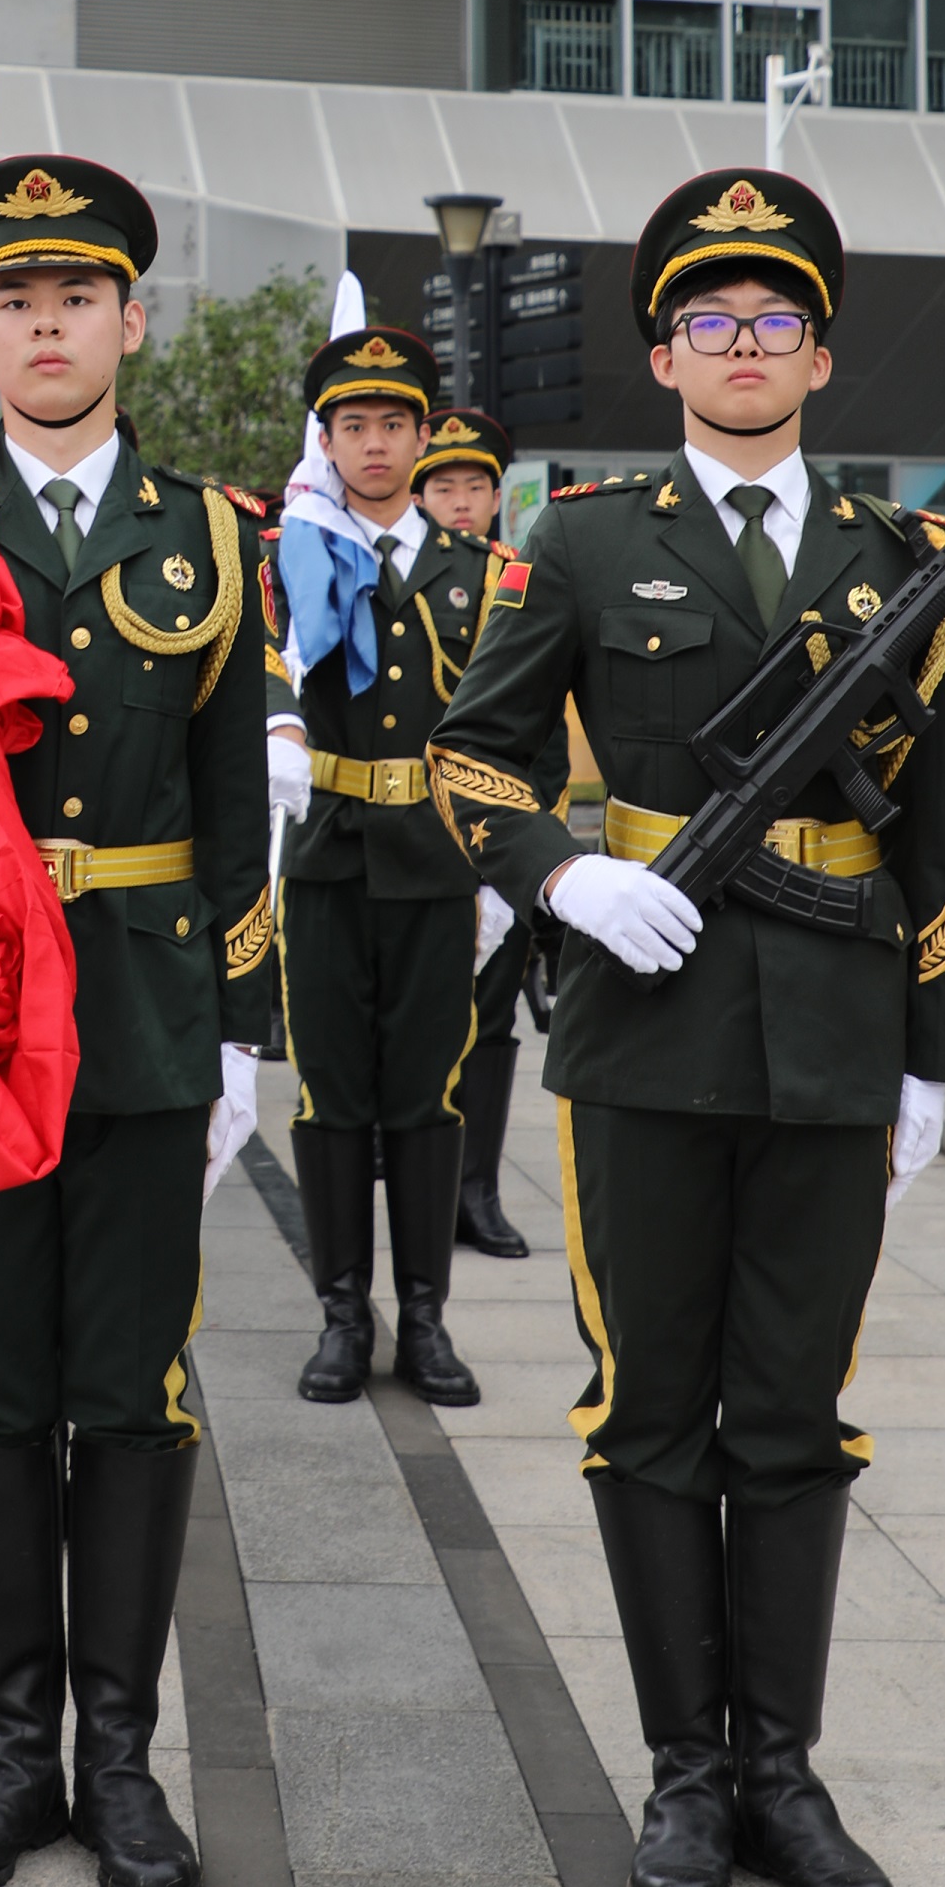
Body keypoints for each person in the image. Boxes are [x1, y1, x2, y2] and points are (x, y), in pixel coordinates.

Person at [428, 169, 945, 1887]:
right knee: (647, 1404)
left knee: (794, 1410)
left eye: (775, 322)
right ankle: (682, 1770)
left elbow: (941, 833)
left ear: (817, 354)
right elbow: (472, 759)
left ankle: (780, 1769)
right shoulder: (579, 536)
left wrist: (928, 1058)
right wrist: (567, 875)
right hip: (644, 1029)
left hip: (832, 1029)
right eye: (707, 321)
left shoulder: (903, 566)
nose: (742, 349)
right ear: (663, 351)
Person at [0, 157, 272, 1887]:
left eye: (73, 297)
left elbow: (238, 802)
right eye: (9, 299)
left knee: (134, 1386)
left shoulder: (215, 533)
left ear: (128, 321)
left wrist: (248, 1026)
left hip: (148, 1015)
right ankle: (12, 1754)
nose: (41, 324)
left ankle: (119, 1757)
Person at [270, 328, 514, 1410]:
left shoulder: (486, 574)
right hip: (324, 861)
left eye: (395, 425)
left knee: (424, 1096)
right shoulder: (287, 560)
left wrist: (506, 872)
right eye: (353, 426)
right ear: (324, 439)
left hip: (435, 868)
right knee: (331, 1096)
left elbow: (520, 736)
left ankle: (424, 1317)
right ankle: (338, 1314)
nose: (375, 444)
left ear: (423, 437)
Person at [413, 406, 542, 1258]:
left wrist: (523, 856)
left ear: (499, 496)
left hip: (495, 843)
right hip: (408, 841)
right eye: (444, 486)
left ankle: (477, 1191)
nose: (461, 502)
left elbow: (539, 722)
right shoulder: (387, 580)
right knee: (409, 1023)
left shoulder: (523, 580)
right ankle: (414, 1188)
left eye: (476, 486)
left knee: (491, 1027)